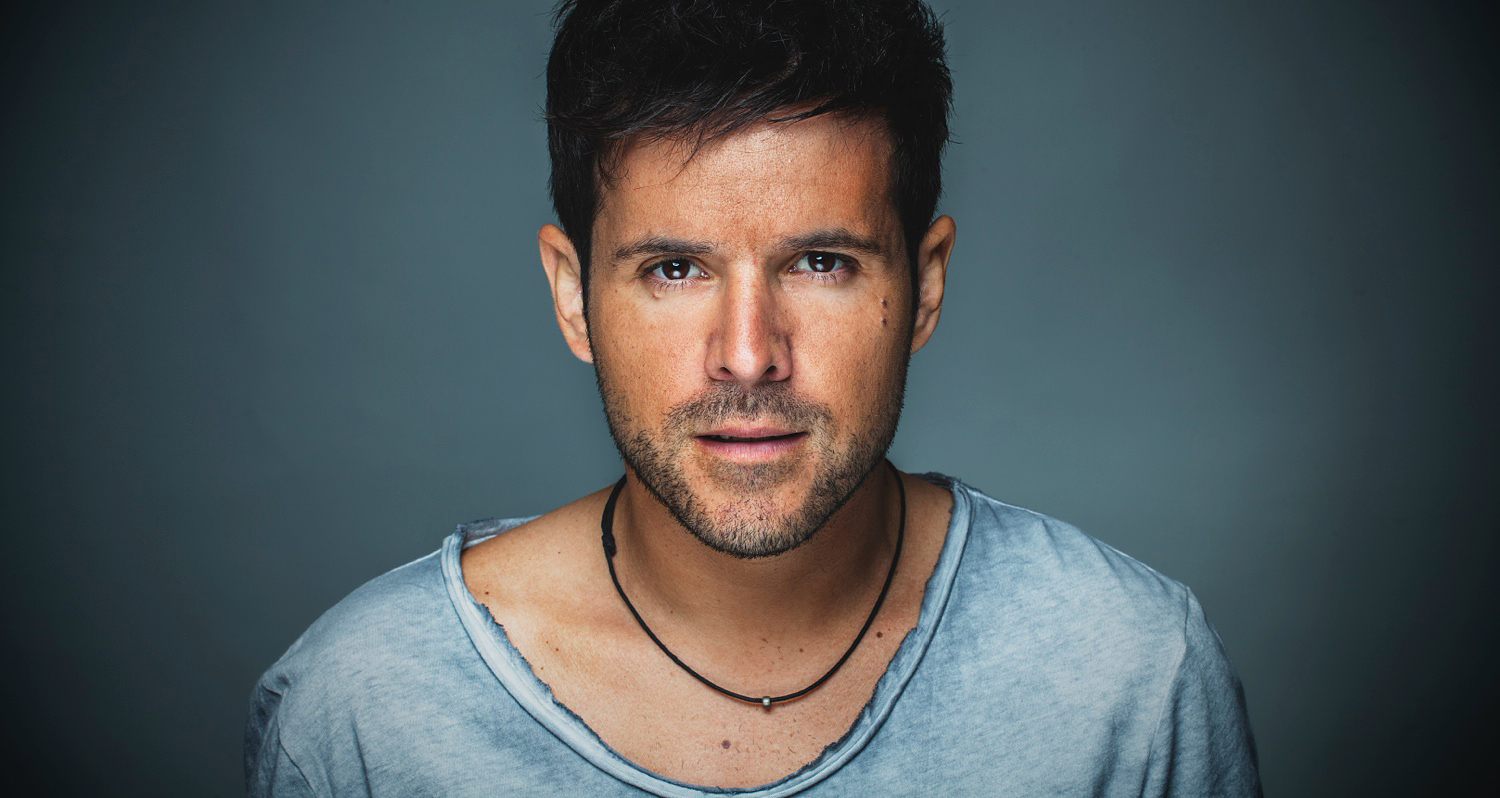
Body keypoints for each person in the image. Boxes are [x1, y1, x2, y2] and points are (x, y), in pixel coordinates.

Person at [245, 1, 1261, 794]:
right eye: (675, 269)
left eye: (820, 262)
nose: (747, 356)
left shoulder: (1130, 677)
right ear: (572, 296)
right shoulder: (366, 713)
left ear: (924, 286)